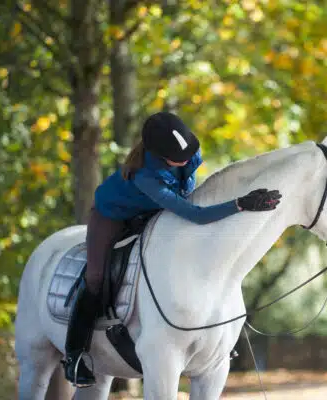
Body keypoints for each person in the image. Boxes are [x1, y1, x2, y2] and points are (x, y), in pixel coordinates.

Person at [62, 111, 282, 387]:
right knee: (94, 277)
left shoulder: (187, 153)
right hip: (112, 216)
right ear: (159, 155)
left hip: (154, 213)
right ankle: (74, 355)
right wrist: (239, 204)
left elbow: (194, 196)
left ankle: (214, 339)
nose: (188, 160)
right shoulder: (145, 176)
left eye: (189, 152)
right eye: (180, 158)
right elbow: (195, 214)